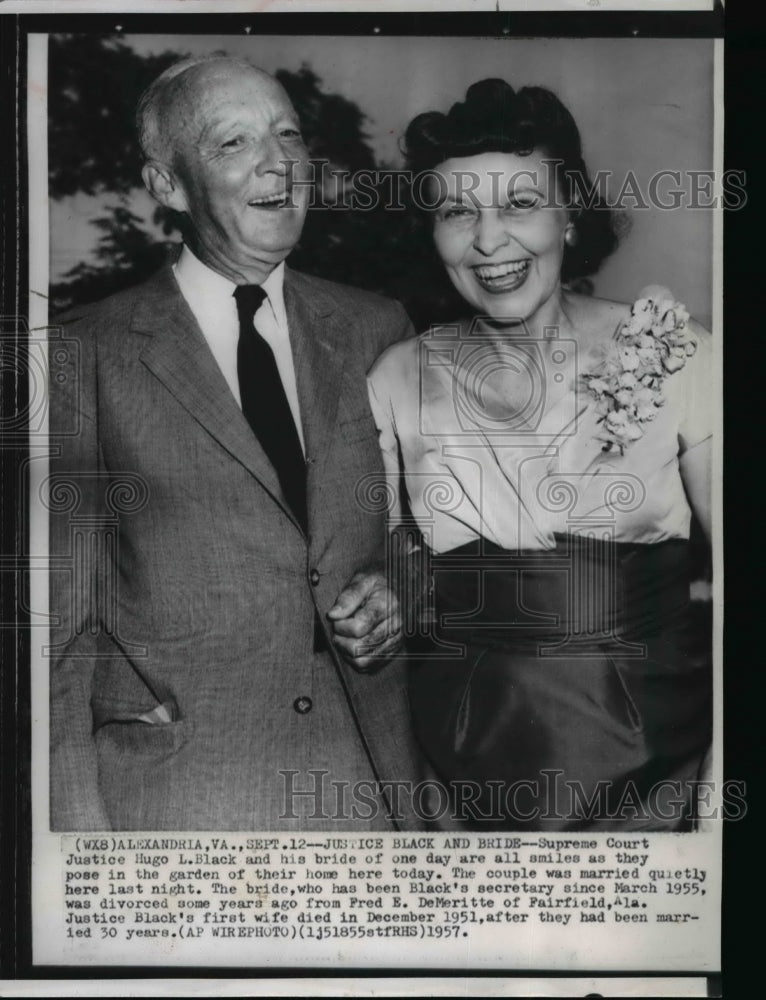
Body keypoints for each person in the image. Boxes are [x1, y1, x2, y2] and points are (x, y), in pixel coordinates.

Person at [48, 54, 423, 831]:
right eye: (233, 143)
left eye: (288, 134)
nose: (278, 161)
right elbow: (54, 631)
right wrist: (75, 847)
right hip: (181, 796)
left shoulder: (375, 326)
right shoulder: (83, 352)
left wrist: (400, 589)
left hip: (368, 784)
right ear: (168, 186)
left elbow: (427, 532)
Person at [367, 79, 713, 830]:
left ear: (571, 214)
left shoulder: (678, 353)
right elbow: (389, 574)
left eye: (520, 205)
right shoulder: (395, 377)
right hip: (459, 782)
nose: (490, 242)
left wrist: (724, 795)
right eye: (458, 211)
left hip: (661, 779)